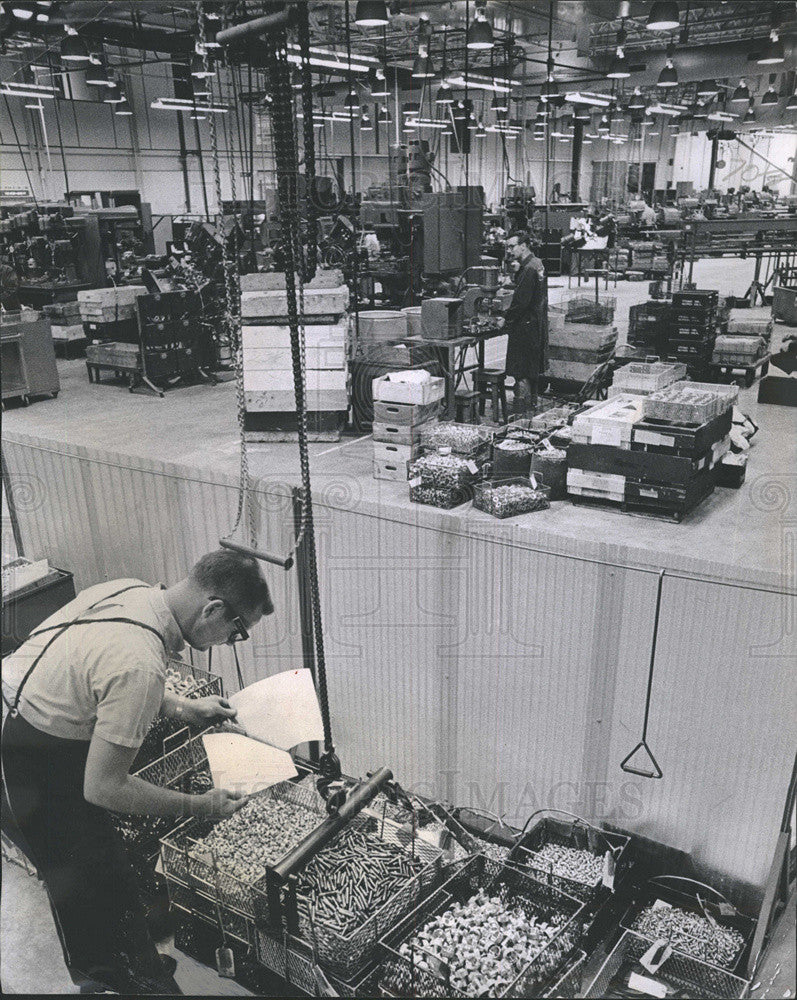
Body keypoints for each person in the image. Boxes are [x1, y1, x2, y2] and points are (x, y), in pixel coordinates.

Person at [1, 548, 274, 995]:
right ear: (214, 609)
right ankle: (116, 979)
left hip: (30, 714)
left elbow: (100, 675)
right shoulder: (140, 664)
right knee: (88, 889)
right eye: (237, 630)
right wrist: (199, 805)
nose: (231, 641)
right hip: (22, 754)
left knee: (109, 874)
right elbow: (105, 788)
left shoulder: (131, 591)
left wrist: (183, 707)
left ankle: (135, 964)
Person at [502, 231, 548, 413]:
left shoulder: (529, 269)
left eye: (512, 246)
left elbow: (521, 302)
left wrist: (505, 320)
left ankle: (521, 410)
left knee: (521, 371)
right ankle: (533, 406)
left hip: (525, 326)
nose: (509, 250)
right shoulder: (537, 264)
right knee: (532, 370)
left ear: (524, 245)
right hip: (536, 323)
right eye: (507, 247)